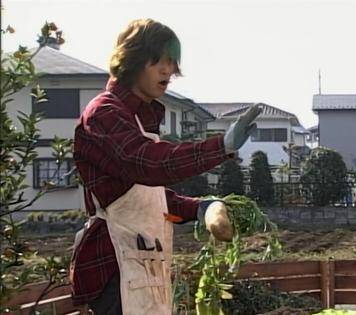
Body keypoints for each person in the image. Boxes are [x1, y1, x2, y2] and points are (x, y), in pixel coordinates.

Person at [69, 18, 261, 315]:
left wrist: (199, 207)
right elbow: (148, 163)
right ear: (132, 60)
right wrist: (221, 146)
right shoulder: (103, 113)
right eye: (158, 61)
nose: (168, 70)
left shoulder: (140, 120)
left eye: (172, 63)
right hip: (114, 266)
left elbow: (148, 198)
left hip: (143, 265)